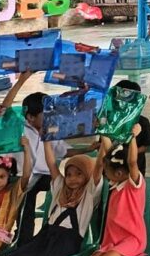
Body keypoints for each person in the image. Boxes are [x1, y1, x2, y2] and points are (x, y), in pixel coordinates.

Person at [3, 137, 102, 256]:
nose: (73, 179)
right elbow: (51, 163)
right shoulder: (59, 188)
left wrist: (103, 143)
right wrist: (47, 139)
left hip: (68, 241)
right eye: (69, 174)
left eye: (79, 174)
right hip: (45, 237)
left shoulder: (89, 195)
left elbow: (98, 168)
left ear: (87, 175)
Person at [7, 74, 96, 245]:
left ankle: (60, 230)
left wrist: (88, 148)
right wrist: (21, 80)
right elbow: (6, 108)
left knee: (68, 186)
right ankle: (24, 242)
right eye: (44, 114)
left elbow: (64, 151)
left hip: (44, 177)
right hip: (22, 179)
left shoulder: (51, 129)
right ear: (30, 117)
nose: (49, 116)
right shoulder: (19, 128)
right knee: (26, 207)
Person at [90, 126, 145, 256]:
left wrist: (133, 138)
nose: (105, 174)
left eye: (107, 171)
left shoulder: (133, 186)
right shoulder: (116, 184)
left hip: (132, 239)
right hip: (114, 239)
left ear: (120, 173)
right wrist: (103, 130)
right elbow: (108, 151)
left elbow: (132, 163)